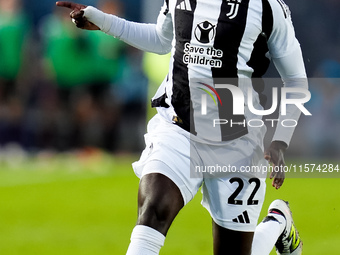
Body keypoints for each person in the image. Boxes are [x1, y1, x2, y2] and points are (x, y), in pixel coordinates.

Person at [56, 1, 307, 254]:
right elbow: (161, 38)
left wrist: (280, 141)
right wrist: (104, 22)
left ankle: (277, 222)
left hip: (237, 141)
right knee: (153, 210)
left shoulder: (267, 7)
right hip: (178, 130)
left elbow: (296, 79)